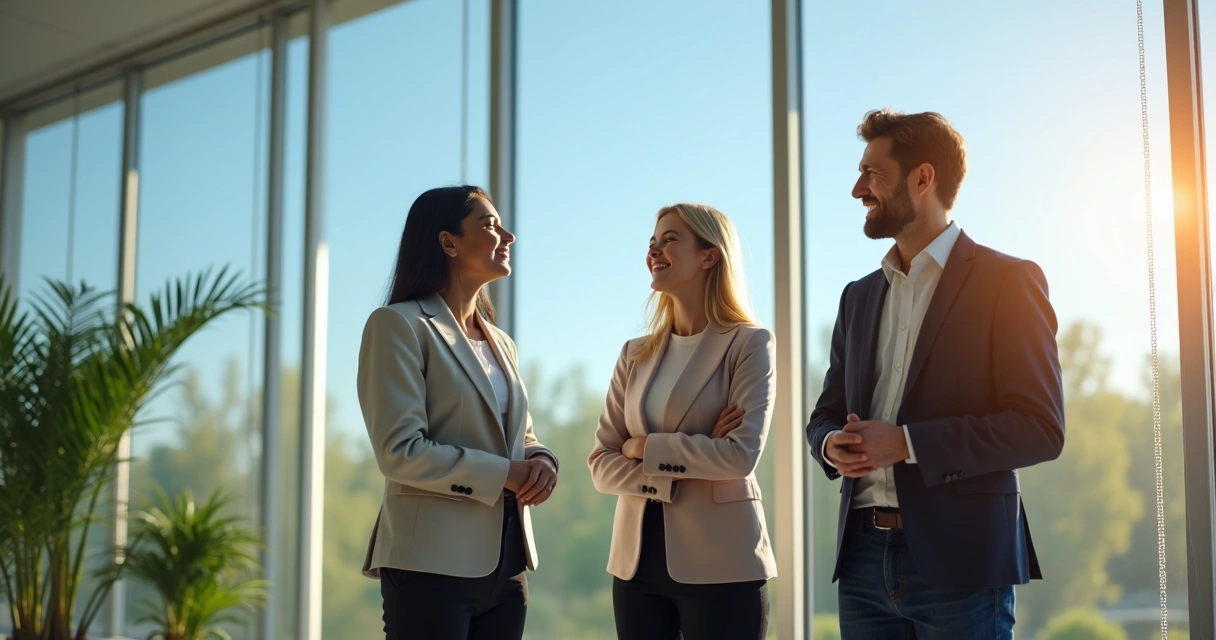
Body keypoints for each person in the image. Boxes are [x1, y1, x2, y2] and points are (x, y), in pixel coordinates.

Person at [806, 109, 1065, 639]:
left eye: (872, 174)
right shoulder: (858, 297)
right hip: (860, 562)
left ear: (923, 178)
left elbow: (1040, 428)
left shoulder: (1007, 282)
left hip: (962, 564)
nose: (858, 189)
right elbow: (824, 415)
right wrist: (830, 442)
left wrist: (905, 443)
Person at [357, 185, 559, 640]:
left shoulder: (501, 343)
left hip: (507, 568)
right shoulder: (398, 325)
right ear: (448, 242)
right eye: (490, 225)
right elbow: (400, 453)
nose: (507, 235)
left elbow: (520, 435)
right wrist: (507, 474)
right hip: (429, 563)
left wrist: (541, 458)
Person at [588, 203, 776, 640]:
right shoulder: (634, 353)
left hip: (723, 561)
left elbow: (738, 456)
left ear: (710, 255)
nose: (654, 250)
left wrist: (642, 448)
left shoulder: (749, 344)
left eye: (669, 240)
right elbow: (600, 462)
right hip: (636, 566)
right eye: (651, 243)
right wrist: (687, 460)